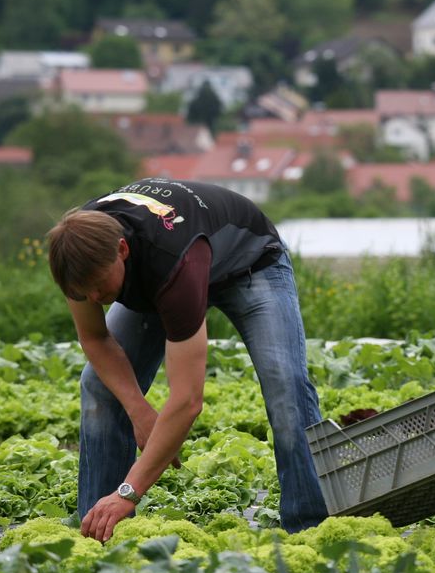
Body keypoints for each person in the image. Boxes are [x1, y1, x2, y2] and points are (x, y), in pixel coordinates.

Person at [46, 178, 329, 541]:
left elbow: (187, 400)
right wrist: (139, 410)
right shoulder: (77, 256)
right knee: (100, 386)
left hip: (251, 263)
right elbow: (95, 338)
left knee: (285, 385)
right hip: (162, 267)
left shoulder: (171, 260)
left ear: (121, 250)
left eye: (100, 286)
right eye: (82, 292)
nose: (95, 297)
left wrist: (129, 492)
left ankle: (310, 526)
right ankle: (99, 530)